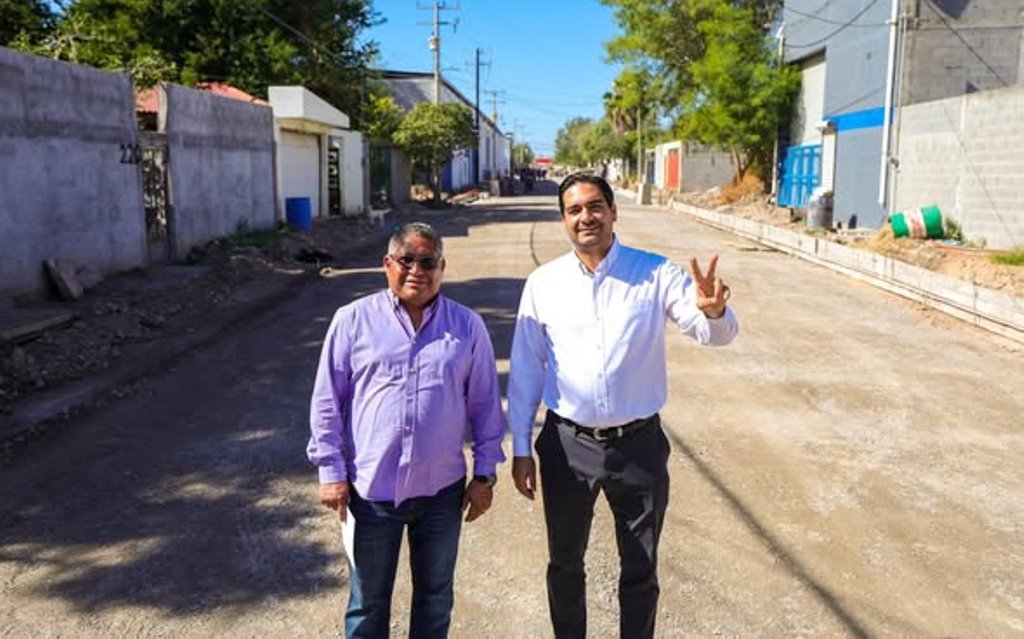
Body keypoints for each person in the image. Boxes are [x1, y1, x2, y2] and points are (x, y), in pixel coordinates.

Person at [506, 173, 738, 638]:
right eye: (574, 210)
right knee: (564, 563)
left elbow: (714, 334)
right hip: (566, 445)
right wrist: (521, 448)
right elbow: (527, 369)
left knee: (640, 567)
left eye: (595, 206)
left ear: (614, 212)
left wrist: (713, 311)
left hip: (639, 447)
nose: (586, 217)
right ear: (563, 220)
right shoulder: (543, 283)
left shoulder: (655, 273)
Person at [307, 221, 506, 638]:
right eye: (407, 260)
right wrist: (331, 471)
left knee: (435, 599)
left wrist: (485, 475)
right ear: (387, 264)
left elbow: (486, 406)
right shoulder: (352, 321)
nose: (417, 270)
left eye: (428, 262)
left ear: (442, 268)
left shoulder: (467, 326)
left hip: (441, 494)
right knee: (367, 603)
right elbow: (327, 401)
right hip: (370, 493)